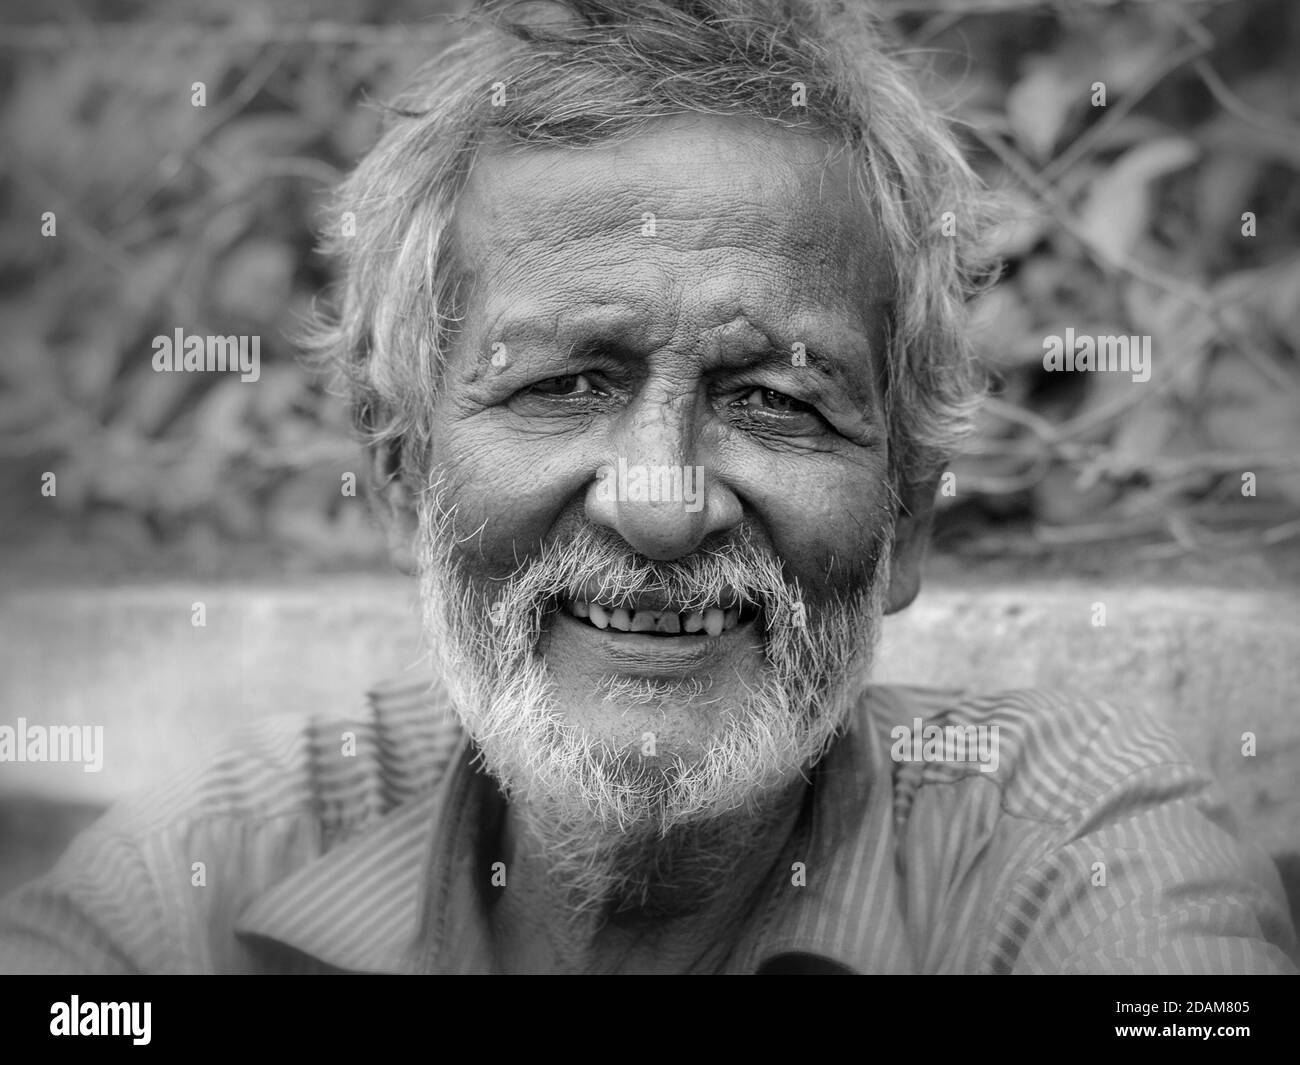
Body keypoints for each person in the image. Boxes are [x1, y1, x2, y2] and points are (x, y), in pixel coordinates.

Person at [1, 0, 1293, 974]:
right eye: (564, 384)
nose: (661, 502)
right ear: (403, 481)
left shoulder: (1069, 845)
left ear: (904, 520)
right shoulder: (210, 870)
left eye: (774, 400)